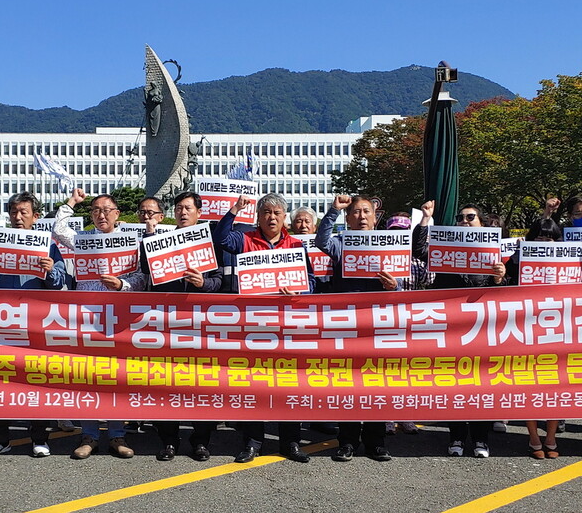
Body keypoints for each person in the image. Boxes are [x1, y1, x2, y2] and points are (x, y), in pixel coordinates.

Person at [0, 192, 66, 458]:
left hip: (33, 325)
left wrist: (50, 269)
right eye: (14, 212)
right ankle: (0, 438)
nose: (18, 217)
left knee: (36, 382)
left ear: (35, 217)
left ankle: (39, 437)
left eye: (24, 212)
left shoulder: (47, 245)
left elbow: (60, 280)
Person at [214, 192, 313, 464]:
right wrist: (234, 211)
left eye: (277, 213)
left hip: (287, 327)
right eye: (266, 212)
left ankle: (290, 442)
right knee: (253, 386)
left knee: (288, 385)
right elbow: (221, 238)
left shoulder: (295, 245)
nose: (271, 217)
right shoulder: (245, 239)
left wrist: (298, 292)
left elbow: (311, 281)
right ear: (258, 216)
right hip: (253, 326)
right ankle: (252, 442)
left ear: (285, 219)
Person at [53, 188, 145, 459]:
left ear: (117, 214)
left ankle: (117, 435)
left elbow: (142, 278)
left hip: (119, 318)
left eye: (107, 210)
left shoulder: (130, 241)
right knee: (89, 378)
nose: (101, 214)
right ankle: (89, 435)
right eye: (95, 210)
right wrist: (72, 202)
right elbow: (59, 230)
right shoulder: (82, 239)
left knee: (115, 378)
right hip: (88, 317)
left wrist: (122, 284)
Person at [413, 200, 506, 458]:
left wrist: (499, 277)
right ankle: (455, 438)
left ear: (482, 223)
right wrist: (426, 218)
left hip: (480, 327)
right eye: (460, 218)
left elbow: (504, 292)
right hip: (451, 326)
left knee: (480, 385)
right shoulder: (445, 247)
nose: (464, 222)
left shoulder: (492, 252)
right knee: (455, 384)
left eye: (470, 217)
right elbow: (420, 250)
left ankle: (480, 440)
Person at [314, 195, 396, 461]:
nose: (361, 217)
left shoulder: (391, 246)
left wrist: (394, 287)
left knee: (376, 385)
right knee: (348, 385)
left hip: (378, 326)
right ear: (347, 219)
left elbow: (404, 287)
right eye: (355, 213)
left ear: (375, 217)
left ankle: (376, 442)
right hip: (347, 326)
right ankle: (347, 441)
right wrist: (333, 210)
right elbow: (321, 242)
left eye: (366, 212)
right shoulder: (340, 243)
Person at [144, 192, 221, 461]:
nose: (183, 212)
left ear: (199, 212)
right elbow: (146, 272)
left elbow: (221, 281)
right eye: (178, 208)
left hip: (201, 324)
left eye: (188, 208)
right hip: (167, 323)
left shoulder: (210, 242)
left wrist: (204, 284)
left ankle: (201, 440)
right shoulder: (160, 240)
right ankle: (168, 440)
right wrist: (150, 237)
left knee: (202, 385)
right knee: (166, 384)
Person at [505, 218, 564, 459]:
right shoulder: (518, 261)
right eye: (539, 237)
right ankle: (533, 437)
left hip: (557, 329)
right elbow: (506, 284)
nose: (543, 242)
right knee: (528, 385)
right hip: (525, 329)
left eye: (548, 238)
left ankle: (551, 437)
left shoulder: (567, 261)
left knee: (555, 385)